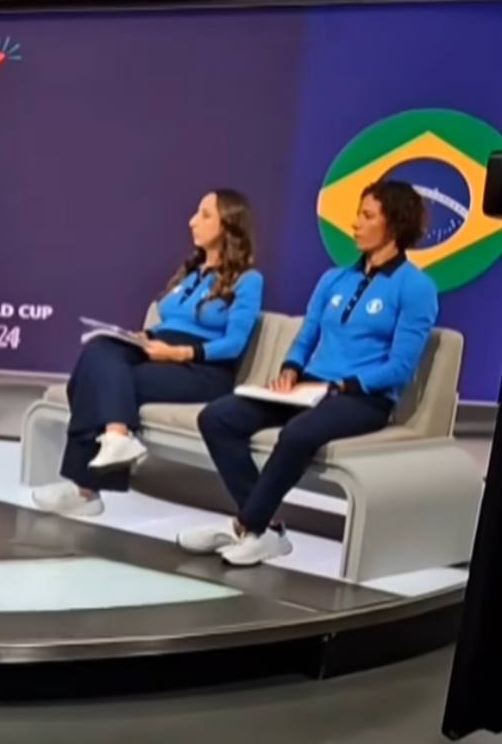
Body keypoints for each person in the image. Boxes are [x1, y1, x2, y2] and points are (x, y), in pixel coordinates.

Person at [180, 179, 437, 567]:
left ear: (395, 225)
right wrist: (290, 369)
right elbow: (306, 337)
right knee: (218, 417)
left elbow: (400, 367)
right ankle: (265, 529)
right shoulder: (334, 278)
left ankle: (245, 525)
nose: (355, 223)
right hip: (309, 387)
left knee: (297, 434)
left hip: (363, 398)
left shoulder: (416, 287)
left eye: (367, 216)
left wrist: (346, 384)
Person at [33, 189, 263, 518]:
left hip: (203, 370)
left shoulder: (248, 280)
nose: (192, 221)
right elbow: (171, 322)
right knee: (99, 349)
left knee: (97, 379)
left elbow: (234, 343)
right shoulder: (192, 274)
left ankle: (88, 488)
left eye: (205, 215)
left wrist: (180, 353)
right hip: (159, 348)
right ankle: (116, 438)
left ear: (229, 224)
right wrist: (144, 338)